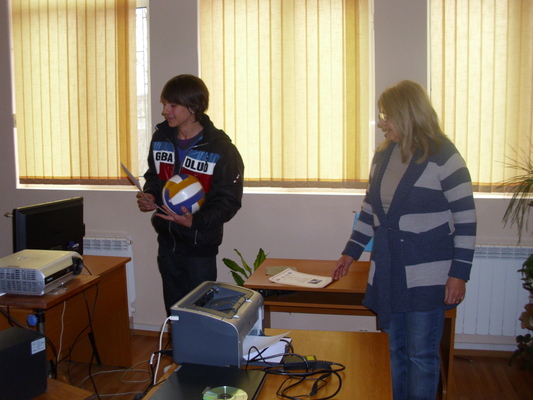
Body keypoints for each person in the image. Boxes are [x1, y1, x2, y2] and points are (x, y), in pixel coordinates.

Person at [333, 80, 476, 400]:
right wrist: (350, 252)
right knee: (394, 350)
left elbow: (467, 220)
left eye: (387, 116)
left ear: (408, 114)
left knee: (421, 356)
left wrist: (459, 274)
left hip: (428, 274)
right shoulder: (383, 156)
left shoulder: (444, 156)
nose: (382, 123)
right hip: (389, 270)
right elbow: (370, 209)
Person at [137, 74, 244, 315]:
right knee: (174, 314)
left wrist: (195, 221)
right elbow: (154, 176)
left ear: (193, 106)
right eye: (165, 104)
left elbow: (229, 201)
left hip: (200, 247)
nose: (165, 111)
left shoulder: (221, 148)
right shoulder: (161, 138)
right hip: (167, 243)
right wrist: (150, 196)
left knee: (200, 315)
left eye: (172, 105)